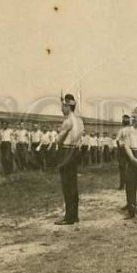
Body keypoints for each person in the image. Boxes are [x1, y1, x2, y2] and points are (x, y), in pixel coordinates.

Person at [55, 94, 84, 225]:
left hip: (67, 151)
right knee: (73, 184)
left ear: (67, 106)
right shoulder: (80, 120)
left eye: (63, 106)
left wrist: (58, 133)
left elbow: (58, 140)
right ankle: (74, 215)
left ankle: (69, 217)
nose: (61, 109)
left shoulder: (68, 121)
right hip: (75, 151)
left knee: (67, 184)